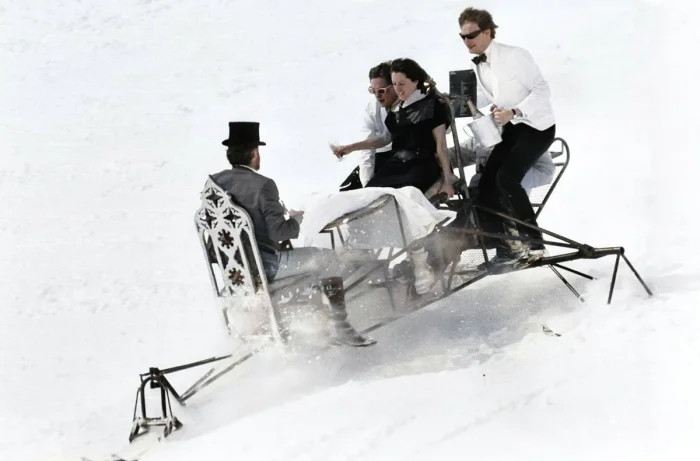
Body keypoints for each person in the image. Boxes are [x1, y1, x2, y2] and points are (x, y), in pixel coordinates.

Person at [210, 121, 375, 347]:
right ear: (254, 153)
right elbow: (278, 232)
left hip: (234, 273)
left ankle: (314, 318)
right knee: (327, 258)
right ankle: (341, 327)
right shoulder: (263, 185)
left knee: (303, 259)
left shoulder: (214, 184)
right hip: (266, 267)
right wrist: (297, 219)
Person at [458, 7, 556, 263]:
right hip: (513, 128)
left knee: (507, 178)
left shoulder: (515, 56)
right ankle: (508, 246)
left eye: (471, 35)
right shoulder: (479, 65)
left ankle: (535, 244)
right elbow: (487, 97)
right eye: (463, 37)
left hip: (537, 127)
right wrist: (452, 102)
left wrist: (514, 111)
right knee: (488, 182)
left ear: (488, 32)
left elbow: (542, 91)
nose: (467, 41)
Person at [333, 58, 456, 200]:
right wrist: (350, 148)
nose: (398, 89)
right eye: (395, 84)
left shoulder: (432, 105)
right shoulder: (397, 109)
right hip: (399, 162)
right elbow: (385, 138)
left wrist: (448, 181)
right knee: (370, 193)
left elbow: (441, 145)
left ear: (415, 81)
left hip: (422, 165)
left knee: (396, 197)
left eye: (401, 84)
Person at [336, 61, 399, 191]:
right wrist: (367, 186)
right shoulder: (372, 108)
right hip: (384, 156)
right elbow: (368, 150)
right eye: (373, 91)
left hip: (406, 158)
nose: (377, 96)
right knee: (346, 192)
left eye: (381, 91)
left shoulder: (409, 103)